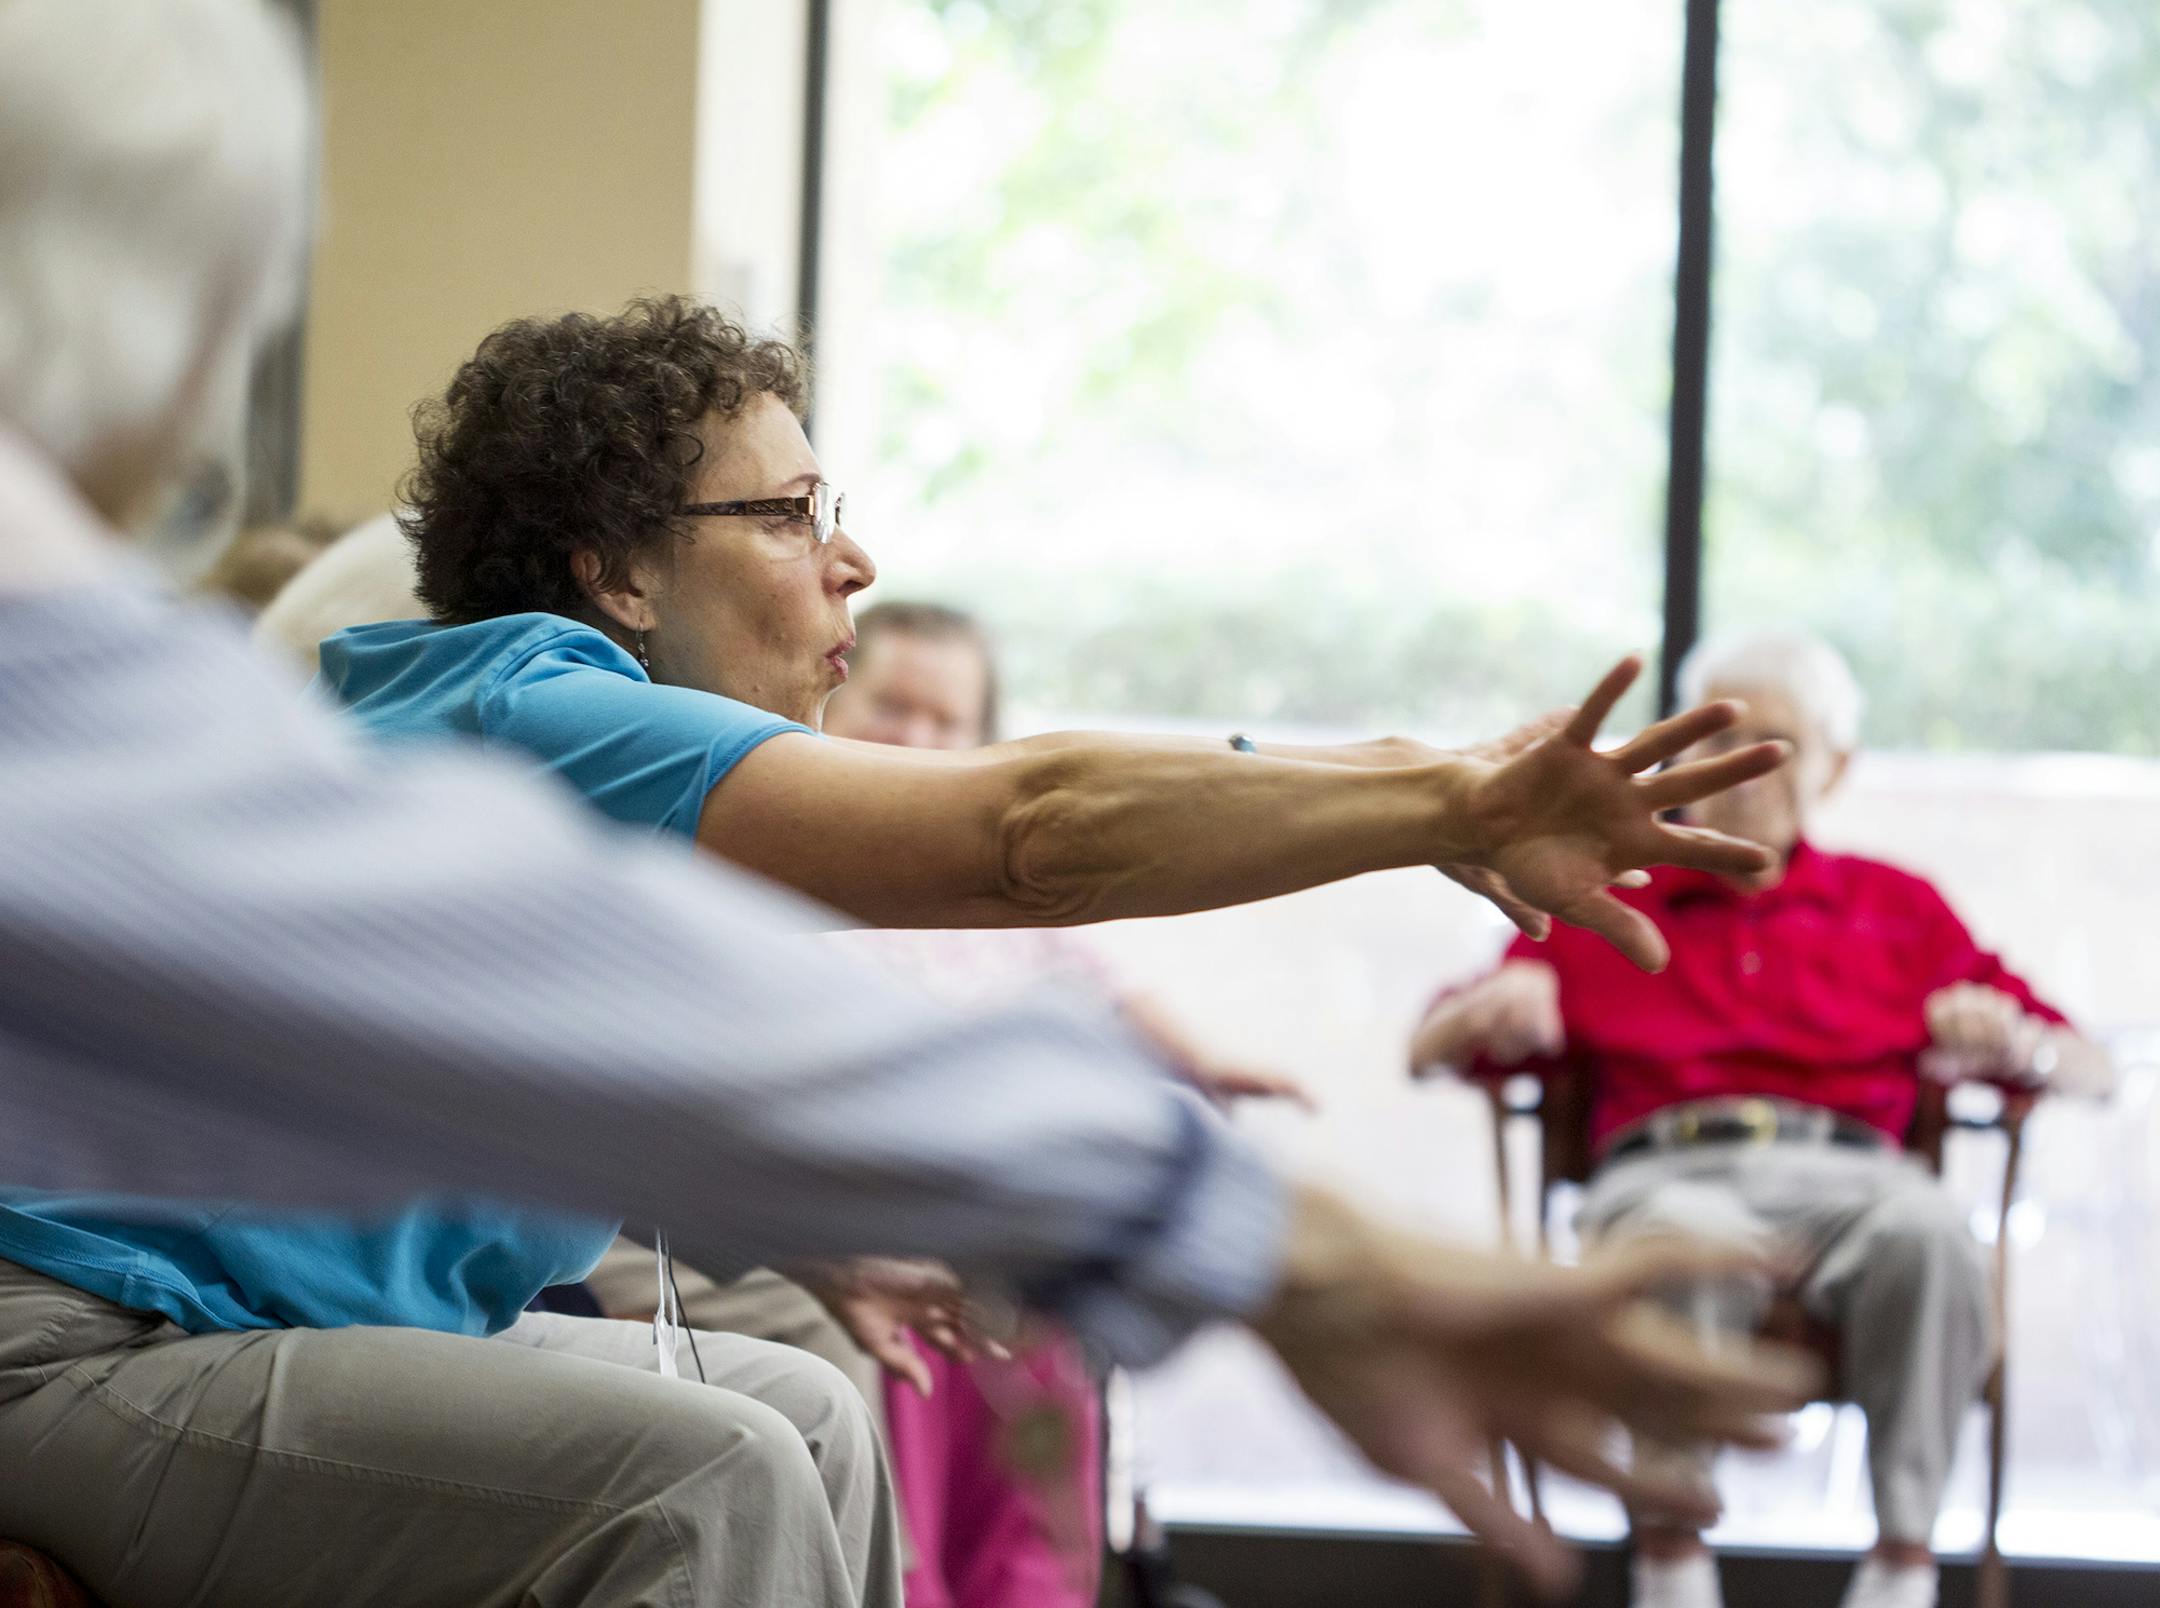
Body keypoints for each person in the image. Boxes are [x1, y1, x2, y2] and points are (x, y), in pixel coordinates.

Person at [0, 2, 1820, 1601]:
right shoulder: (537, 701)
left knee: (801, 1400)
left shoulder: (493, 730)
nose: (849, 559)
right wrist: (1446, 799)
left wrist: (1450, 791)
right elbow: (1024, 830)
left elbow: (494, 1063)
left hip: (210, 1326)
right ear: (614, 573)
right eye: (789, 516)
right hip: (79, 1352)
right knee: (705, 1465)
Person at [1409, 629, 2118, 1608]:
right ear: (1676, 762)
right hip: (1669, 1174)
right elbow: (1428, 1051)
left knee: (1933, 1241)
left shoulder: (1898, 907)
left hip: (1861, 1182)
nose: (1743, 770)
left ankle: (1902, 1570)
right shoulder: (1613, 897)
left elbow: (2089, 1068)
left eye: (1778, 742)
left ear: (1838, 765)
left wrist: (2015, 1045)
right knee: (1673, 1249)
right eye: (1716, 741)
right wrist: (1486, 1014)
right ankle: (1672, 1564)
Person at [820, 600, 1311, 1608]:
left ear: (980, 741)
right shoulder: (809, 862)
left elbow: (1105, 982)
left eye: (943, 720)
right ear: (832, 704)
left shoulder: (997, 879)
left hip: (1009, 1230)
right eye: (890, 706)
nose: (914, 737)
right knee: (908, 1460)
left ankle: (1036, 1584)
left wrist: (1205, 1061)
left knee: (1033, 1453)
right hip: (885, 1219)